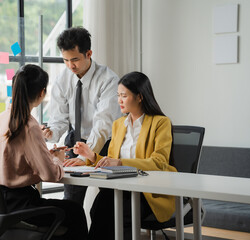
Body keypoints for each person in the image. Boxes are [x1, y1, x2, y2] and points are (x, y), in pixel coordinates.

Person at [0, 64, 88, 240]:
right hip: (22, 207)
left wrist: (47, 156)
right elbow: (50, 175)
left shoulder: (0, 120)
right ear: (42, 93)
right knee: (75, 211)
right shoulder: (28, 125)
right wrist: (57, 160)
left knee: (67, 212)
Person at [73, 71, 177, 240]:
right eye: (118, 95)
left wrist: (120, 162)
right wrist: (91, 156)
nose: (119, 100)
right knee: (99, 206)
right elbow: (111, 161)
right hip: (121, 189)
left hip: (148, 193)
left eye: (124, 95)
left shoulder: (160, 122)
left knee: (113, 209)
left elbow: (159, 162)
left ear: (140, 97)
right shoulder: (119, 125)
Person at [42, 27, 121, 205]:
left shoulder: (108, 80)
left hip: (105, 145)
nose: (71, 65)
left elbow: (103, 125)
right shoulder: (63, 79)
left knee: (108, 202)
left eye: (75, 59)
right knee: (71, 202)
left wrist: (85, 157)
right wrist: (51, 132)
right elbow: (59, 118)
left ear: (89, 53)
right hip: (75, 141)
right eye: (66, 60)